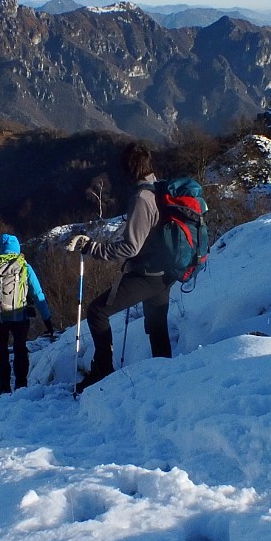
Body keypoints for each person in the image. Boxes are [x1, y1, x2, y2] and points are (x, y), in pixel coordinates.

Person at [65, 143, 171, 393]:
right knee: (157, 326)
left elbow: (131, 247)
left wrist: (94, 249)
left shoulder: (142, 198)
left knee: (97, 312)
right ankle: (165, 377)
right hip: (163, 271)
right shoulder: (158, 188)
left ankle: (102, 370)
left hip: (147, 274)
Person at [0, 234, 54, 394]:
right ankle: (21, 385)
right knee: (20, 349)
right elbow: (38, 294)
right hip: (20, 317)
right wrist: (47, 319)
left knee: (1, 352)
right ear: (17, 248)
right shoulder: (25, 266)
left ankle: (4, 388)